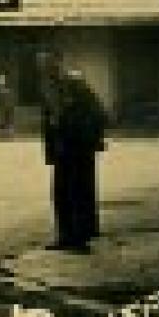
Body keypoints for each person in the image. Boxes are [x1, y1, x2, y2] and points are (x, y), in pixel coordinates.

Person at [37, 49, 107, 253]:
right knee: (60, 193)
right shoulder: (47, 89)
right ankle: (65, 236)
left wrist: (89, 137)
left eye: (48, 64)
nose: (45, 68)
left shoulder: (75, 83)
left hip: (79, 147)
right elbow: (49, 123)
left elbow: (98, 113)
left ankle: (81, 238)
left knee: (79, 192)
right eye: (41, 65)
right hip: (62, 149)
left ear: (58, 63)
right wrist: (50, 152)